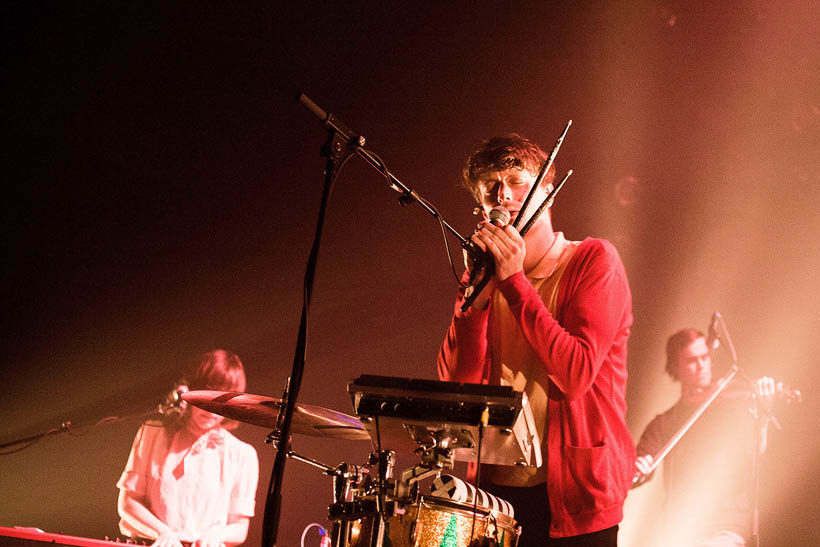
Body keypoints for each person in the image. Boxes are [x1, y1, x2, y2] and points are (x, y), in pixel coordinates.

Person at [437, 134, 635, 545]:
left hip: (574, 498)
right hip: (494, 497)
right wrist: (474, 301)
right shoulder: (482, 279)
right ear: (480, 206)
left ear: (547, 190)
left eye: (515, 179)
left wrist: (514, 282)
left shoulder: (592, 260)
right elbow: (457, 387)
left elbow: (575, 373)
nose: (503, 193)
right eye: (490, 186)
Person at [633, 328, 776, 546]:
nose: (701, 365)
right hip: (683, 523)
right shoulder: (663, 423)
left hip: (727, 523)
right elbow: (638, 468)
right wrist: (638, 469)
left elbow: (756, 450)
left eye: (705, 357)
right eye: (692, 360)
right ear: (675, 367)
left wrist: (763, 419)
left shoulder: (731, 408)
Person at [117, 349, 259, 547]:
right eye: (209, 394)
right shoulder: (151, 432)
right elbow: (128, 502)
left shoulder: (243, 455)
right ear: (189, 390)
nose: (213, 408)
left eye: (223, 398)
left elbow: (240, 527)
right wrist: (163, 533)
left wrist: (216, 536)